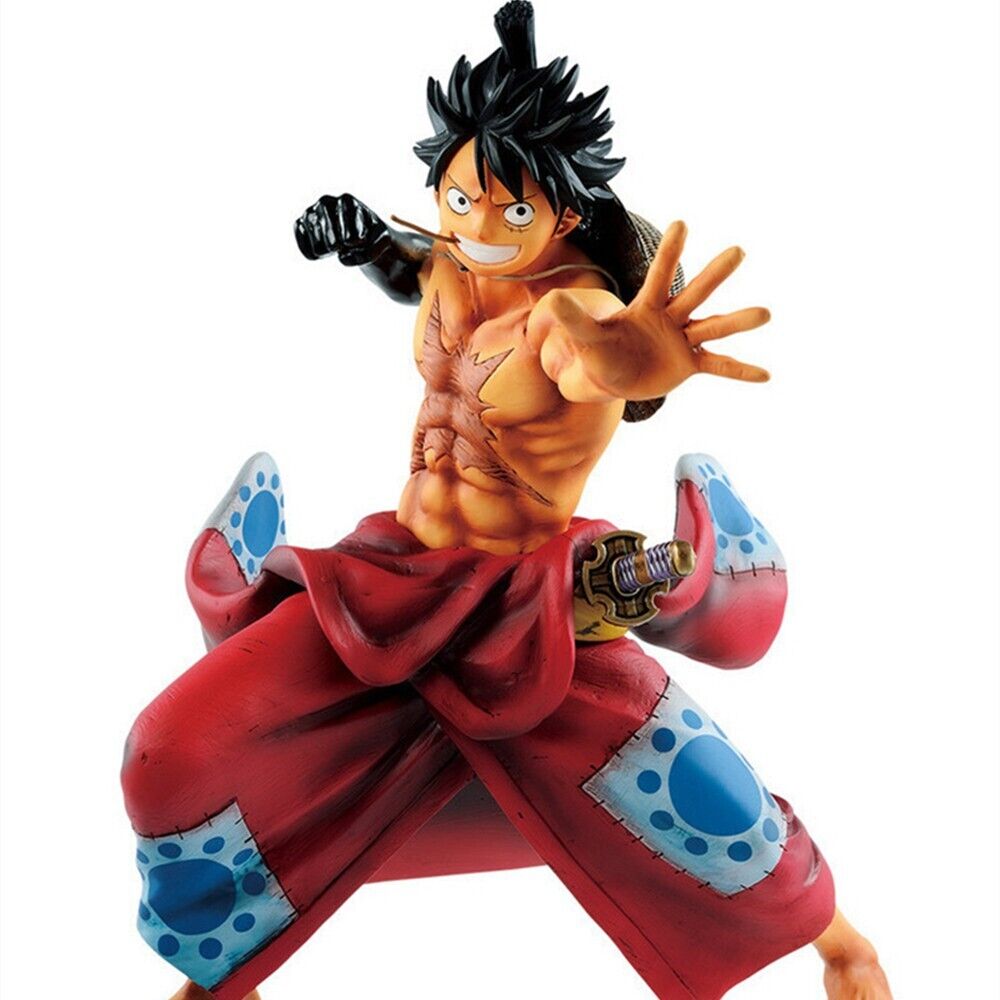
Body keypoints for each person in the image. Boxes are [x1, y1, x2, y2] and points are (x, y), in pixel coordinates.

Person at [122, 4, 892, 997]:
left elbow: (590, 355)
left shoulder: (571, 310)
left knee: (698, 796)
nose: (478, 229)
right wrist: (364, 243)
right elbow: (416, 271)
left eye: (511, 212)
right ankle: (222, 965)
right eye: (459, 197)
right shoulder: (454, 259)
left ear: (565, 215)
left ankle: (839, 939)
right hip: (390, 579)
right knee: (176, 750)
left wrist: (642, 358)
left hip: (527, 606)